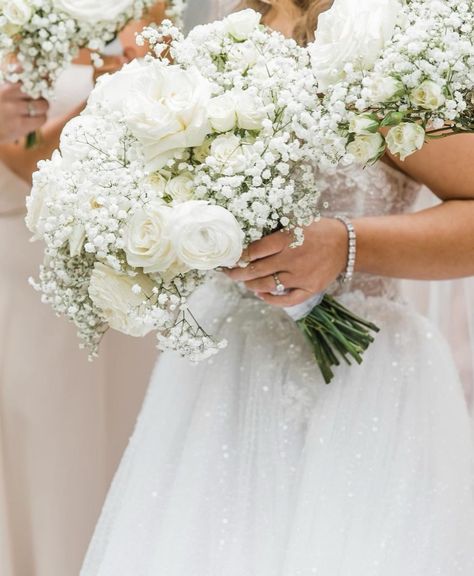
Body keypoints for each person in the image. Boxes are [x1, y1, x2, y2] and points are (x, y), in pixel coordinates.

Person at [81, 1, 474, 575]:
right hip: (221, 376)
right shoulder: (225, 36)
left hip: (358, 379)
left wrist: (343, 245)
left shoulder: (385, 37)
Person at [0, 5, 167, 574]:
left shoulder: (144, 8)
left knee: (128, 438)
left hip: (131, 256)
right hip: (27, 262)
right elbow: (26, 156)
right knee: (50, 447)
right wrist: (112, 97)